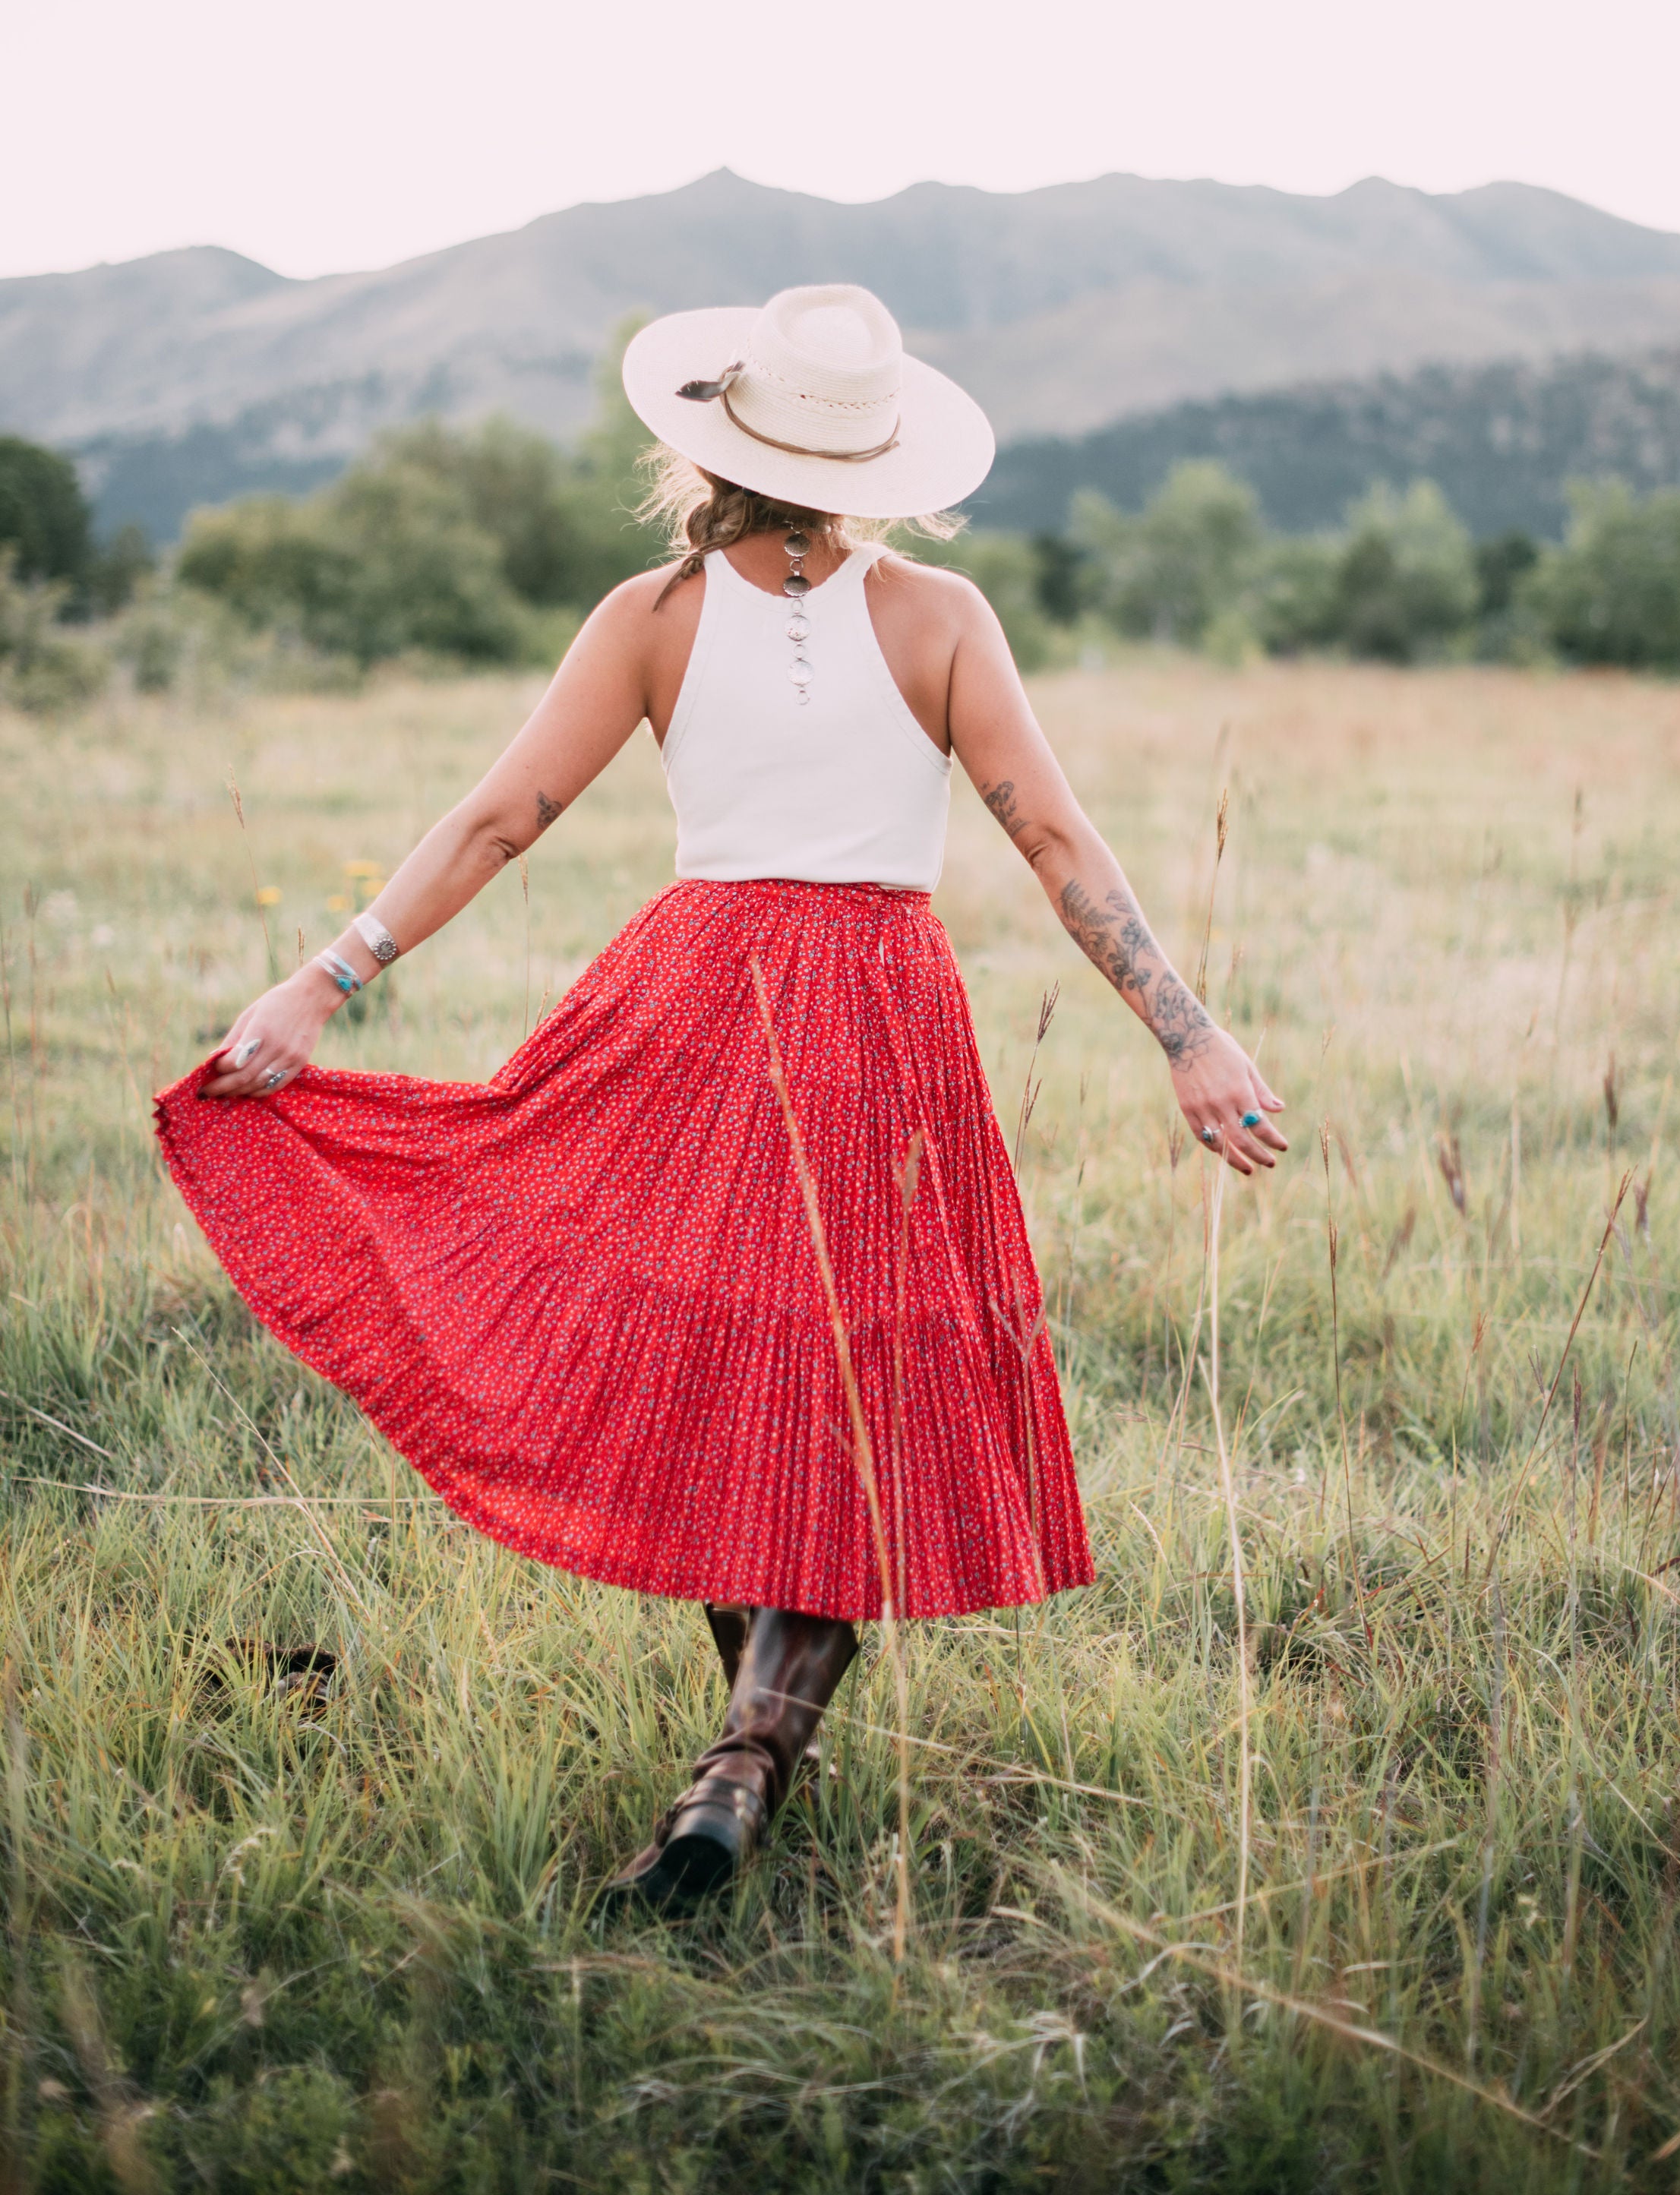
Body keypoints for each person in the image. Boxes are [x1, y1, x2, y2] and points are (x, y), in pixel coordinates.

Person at [155, 283, 1287, 1914]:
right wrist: (1184, 1031)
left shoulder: (653, 614)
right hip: (880, 1014)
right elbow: (1057, 845)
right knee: (834, 1404)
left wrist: (321, 980)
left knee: (717, 1390)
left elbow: (496, 821)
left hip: (693, 1003)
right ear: (873, 458)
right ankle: (752, 1755)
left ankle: (744, 1756)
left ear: (711, 440)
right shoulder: (942, 616)